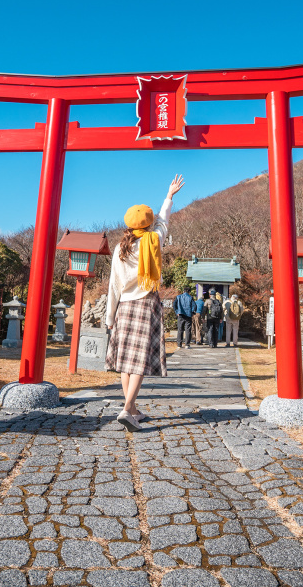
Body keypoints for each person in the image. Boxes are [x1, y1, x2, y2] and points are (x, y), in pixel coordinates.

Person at [105, 174, 185, 432]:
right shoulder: (154, 240)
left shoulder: (120, 248)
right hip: (146, 303)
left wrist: (109, 317)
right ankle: (128, 409)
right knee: (138, 359)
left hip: (125, 306)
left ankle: (133, 408)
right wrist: (169, 196)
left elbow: (114, 285)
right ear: (148, 224)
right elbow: (164, 220)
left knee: (126, 360)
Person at [174, 284, 196, 350]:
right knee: (188, 330)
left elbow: (174, 304)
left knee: (180, 329)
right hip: (188, 315)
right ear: (189, 291)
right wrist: (192, 312)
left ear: (183, 291)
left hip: (180, 314)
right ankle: (187, 344)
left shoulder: (178, 297)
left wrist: (177, 312)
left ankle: (179, 344)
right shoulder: (190, 297)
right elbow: (194, 306)